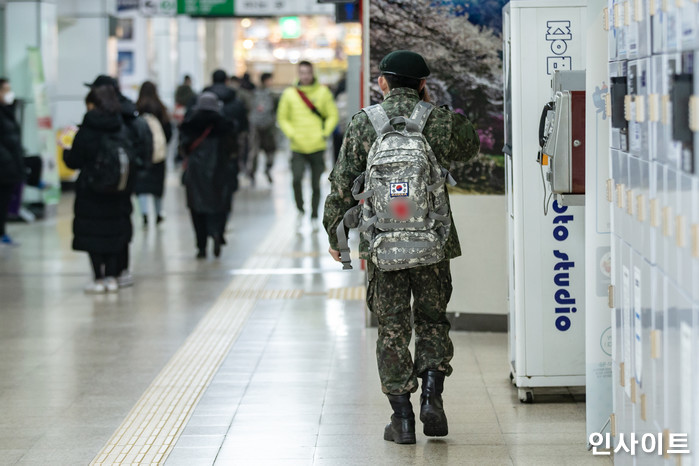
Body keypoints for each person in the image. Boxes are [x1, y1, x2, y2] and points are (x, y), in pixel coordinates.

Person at [322, 51, 480, 444]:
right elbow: (471, 144)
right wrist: (437, 110)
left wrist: (335, 238)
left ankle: (403, 420)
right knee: (431, 320)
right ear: (423, 84)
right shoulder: (437, 121)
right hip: (432, 241)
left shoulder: (363, 124)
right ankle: (432, 398)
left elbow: (341, 185)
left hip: (382, 245)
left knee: (391, 329)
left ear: (382, 83)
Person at [63, 85, 134, 293]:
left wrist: (66, 150)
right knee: (113, 233)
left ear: (92, 105)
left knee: (93, 234)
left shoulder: (86, 130)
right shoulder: (120, 127)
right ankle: (112, 277)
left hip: (91, 191)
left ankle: (98, 278)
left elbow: (74, 161)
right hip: (117, 190)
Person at [85, 75, 151, 288]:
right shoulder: (127, 115)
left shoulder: (94, 123)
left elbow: (77, 156)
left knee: (97, 228)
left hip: (95, 184)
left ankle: (101, 275)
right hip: (123, 182)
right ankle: (119, 271)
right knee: (120, 224)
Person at [277, 61, 338, 231]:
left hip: (317, 145)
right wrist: (292, 134)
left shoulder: (323, 92)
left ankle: (313, 216)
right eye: (302, 73)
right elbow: (283, 117)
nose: (305, 76)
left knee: (316, 184)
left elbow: (332, 114)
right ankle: (300, 210)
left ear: (312, 73)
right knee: (296, 179)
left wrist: (324, 132)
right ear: (298, 73)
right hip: (297, 146)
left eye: (307, 73)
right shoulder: (289, 94)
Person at [179, 92, 237, 259]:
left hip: (195, 174)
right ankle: (217, 232)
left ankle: (201, 247)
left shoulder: (190, 125)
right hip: (220, 172)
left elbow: (183, 149)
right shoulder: (225, 126)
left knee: (197, 210)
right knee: (219, 206)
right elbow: (233, 150)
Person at [135, 81, 173, 227]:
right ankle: (158, 213)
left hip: (142, 154)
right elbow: (168, 131)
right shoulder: (161, 108)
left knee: (142, 186)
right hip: (158, 154)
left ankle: (144, 213)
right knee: (157, 186)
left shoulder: (137, 108)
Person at [0, 77, 25, 246]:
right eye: (5, 90)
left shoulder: (7, 112)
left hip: (9, 167)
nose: (9, 93)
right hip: (4, 166)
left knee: (5, 202)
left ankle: (2, 232)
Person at [247, 72, 278, 184]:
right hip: (267, 126)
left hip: (255, 126)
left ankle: (252, 173)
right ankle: (267, 169)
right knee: (269, 150)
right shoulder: (271, 95)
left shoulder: (253, 93)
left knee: (254, 151)